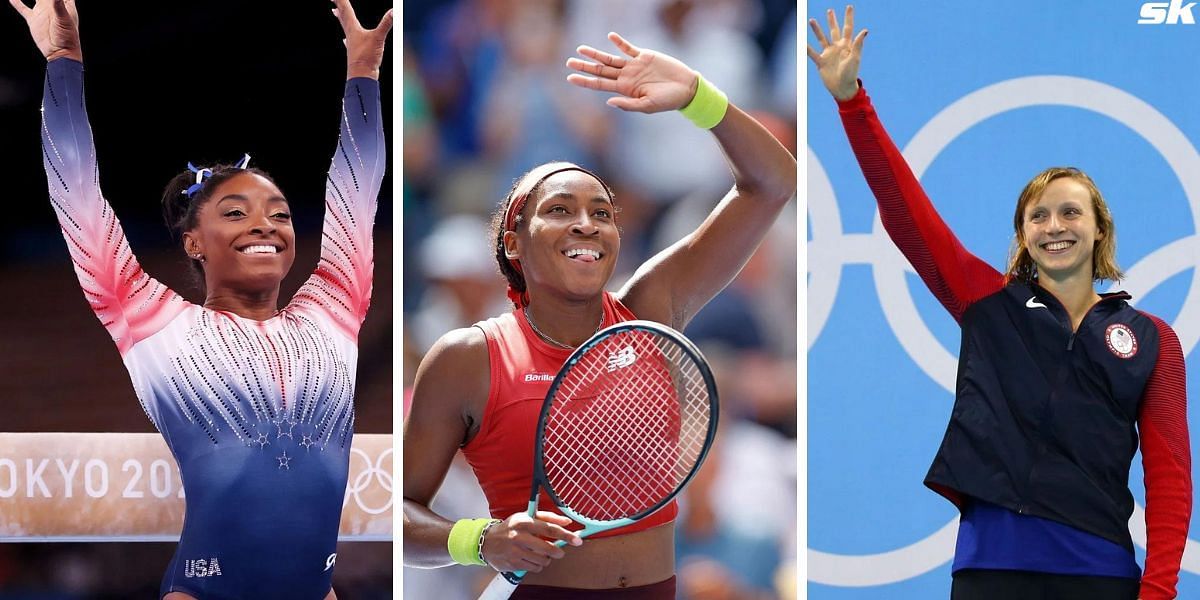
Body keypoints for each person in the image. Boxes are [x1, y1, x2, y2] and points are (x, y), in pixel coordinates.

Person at [8, 0, 391, 598]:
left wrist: (363, 77)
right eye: (235, 213)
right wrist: (63, 60)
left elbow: (359, 187)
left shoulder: (335, 308)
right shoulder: (151, 321)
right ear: (193, 241)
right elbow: (77, 193)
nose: (264, 225)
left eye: (280, 214)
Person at [808, 6, 1191, 600]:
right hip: (991, 570)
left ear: (1098, 230)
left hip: (1101, 573)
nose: (1054, 225)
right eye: (1037, 215)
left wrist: (1160, 591)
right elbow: (908, 214)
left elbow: (1170, 478)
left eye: (1070, 212)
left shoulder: (1152, 340)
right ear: (1024, 236)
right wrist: (852, 102)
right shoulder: (986, 301)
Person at [403, 31, 796, 599]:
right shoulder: (468, 358)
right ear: (514, 243)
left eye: (602, 212)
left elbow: (772, 183)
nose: (587, 224)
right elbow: (400, 512)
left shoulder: (653, 308)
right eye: (559, 210)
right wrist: (481, 539)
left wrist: (698, 98)